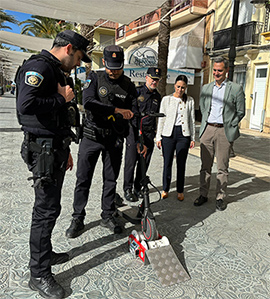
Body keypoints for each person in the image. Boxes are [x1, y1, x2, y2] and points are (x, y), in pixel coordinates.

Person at [16, 30, 91, 299]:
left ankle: (44, 255)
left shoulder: (55, 70)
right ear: (69, 48)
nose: (80, 63)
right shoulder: (39, 67)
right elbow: (26, 104)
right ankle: (38, 274)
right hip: (43, 152)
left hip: (54, 149)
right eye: (80, 57)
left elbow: (55, 117)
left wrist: (66, 147)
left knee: (51, 208)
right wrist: (63, 99)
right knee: (45, 211)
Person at [66, 45, 137, 238]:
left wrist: (135, 138)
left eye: (118, 67)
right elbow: (88, 102)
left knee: (111, 180)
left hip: (114, 139)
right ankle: (78, 217)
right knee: (83, 179)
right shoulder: (95, 78)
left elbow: (134, 113)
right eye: (110, 66)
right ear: (104, 62)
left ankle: (107, 214)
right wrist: (116, 110)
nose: (113, 71)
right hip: (91, 137)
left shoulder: (128, 85)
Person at [194, 56, 245, 211]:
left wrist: (231, 124)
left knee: (222, 167)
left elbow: (241, 111)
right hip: (207, 129)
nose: (216, 73)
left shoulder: (235, 89)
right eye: (214, 70)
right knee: (205, 166)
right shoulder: (207, 88)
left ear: (226, 71)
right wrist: (207, 122)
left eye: (220, 70)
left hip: (224, 131)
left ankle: (220, 197)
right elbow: (203, 106)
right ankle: (203, 194)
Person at [123, 67, 162, 202]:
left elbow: (156, 117)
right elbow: (132, 115)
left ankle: (137, 188)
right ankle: (127, 189)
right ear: (146, 77)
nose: (154, 82)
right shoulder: (137, 92)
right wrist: (138, 138)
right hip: (134, 130)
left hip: (149, 133)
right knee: (131, 161)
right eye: (152, 79)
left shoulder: (157, 96)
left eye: (156, 80)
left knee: (144, 162)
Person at [156, 75, 195, 201]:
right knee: (167, 162)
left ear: (186, 88)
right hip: (168, 134)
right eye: (178, 87)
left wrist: (193, 138)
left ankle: (180, 190)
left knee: (181, 163)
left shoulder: (190, 100)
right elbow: (161, 119)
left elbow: (192, 120)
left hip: (183, 135)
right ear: (174, 85)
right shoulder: (166, 99)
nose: (180, 89)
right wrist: (158, 137)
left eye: (183, 87)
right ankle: (165, 189)